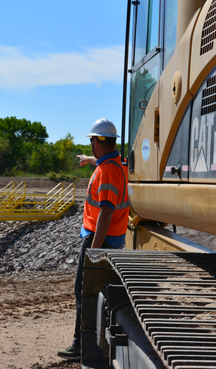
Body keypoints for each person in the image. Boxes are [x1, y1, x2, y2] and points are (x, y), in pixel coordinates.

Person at [57, 118, 131, 361]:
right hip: (114, 238)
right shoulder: (117, 164)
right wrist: (91, 161)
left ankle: (80, 343)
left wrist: (94, 252)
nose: (90, 145)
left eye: (91, 141)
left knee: (83, 291)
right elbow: (105, 166)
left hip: (99, 240)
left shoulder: (107, 172)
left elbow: (106, 211)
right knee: (99, 291)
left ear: (98, 142)